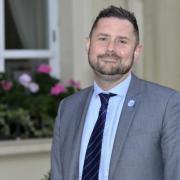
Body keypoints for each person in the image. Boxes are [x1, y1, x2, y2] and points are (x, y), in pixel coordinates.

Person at [51, 5, 180, 180]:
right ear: (88, 44)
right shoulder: (68, 108)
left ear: (136, 51)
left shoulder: (167, 105)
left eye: (122, 41)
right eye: (103, 38)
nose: (111, 48)